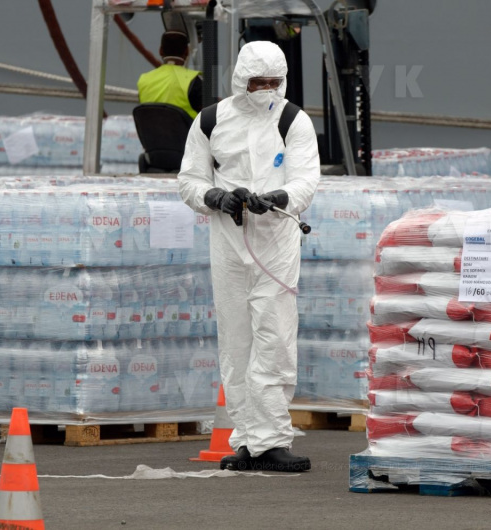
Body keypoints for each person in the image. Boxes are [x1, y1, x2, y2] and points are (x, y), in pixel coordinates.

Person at [178, 41, 320, 472]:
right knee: (236, 341)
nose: (266, 91)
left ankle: (272, 440)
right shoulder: (211, 121)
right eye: (258, 82)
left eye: (274, 82)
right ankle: (246, 440)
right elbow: (189, 180)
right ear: (241, 80)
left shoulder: (293, 121)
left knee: (274, 338)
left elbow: (305, 180)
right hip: (228, 243)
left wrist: (277, 197)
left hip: (275, 244)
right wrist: (216, 197)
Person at [137, 31, 203, 118]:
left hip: (150, 127)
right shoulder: (193, 80)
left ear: (160, 51)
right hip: (186, 127)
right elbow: (209, 115)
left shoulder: (143, 80)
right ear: (187, 52)